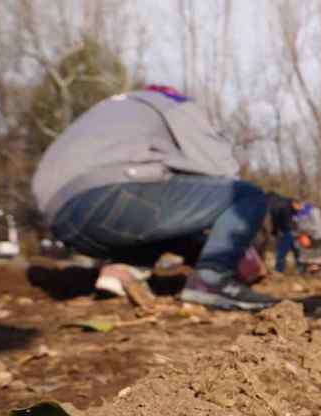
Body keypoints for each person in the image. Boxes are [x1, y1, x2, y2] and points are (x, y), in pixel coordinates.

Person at [31, 84, 278, 311]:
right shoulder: (169, 100)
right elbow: (221, 170)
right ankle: (212, 279)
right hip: (112, 195)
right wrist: (237, 245)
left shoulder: (108, 111)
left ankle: (121, 271)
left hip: (61, 219)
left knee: (163, 213)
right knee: (246, 195)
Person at [269, 194, 303, 275]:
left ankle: (301, 269)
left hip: (290, 231)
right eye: (299, 206)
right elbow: (278, 220)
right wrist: (276, 231)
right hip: (286, 232)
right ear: (294, 203)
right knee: (282, 251)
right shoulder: (284, 208)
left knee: (297, 250)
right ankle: (278, 271)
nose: (300, 209)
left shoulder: (287, 205)